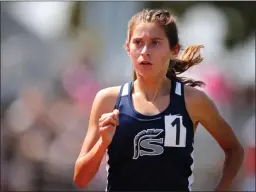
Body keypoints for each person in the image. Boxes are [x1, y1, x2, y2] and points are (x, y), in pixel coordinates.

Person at [73, 8, 244, 191]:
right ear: (128, 48)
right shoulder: (108, 100)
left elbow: (234, 150)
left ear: (174, 50)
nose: (145, 51)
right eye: (138, 43)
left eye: (155, 43)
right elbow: (81, 179)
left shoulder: (192, 101)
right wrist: (103, 143)